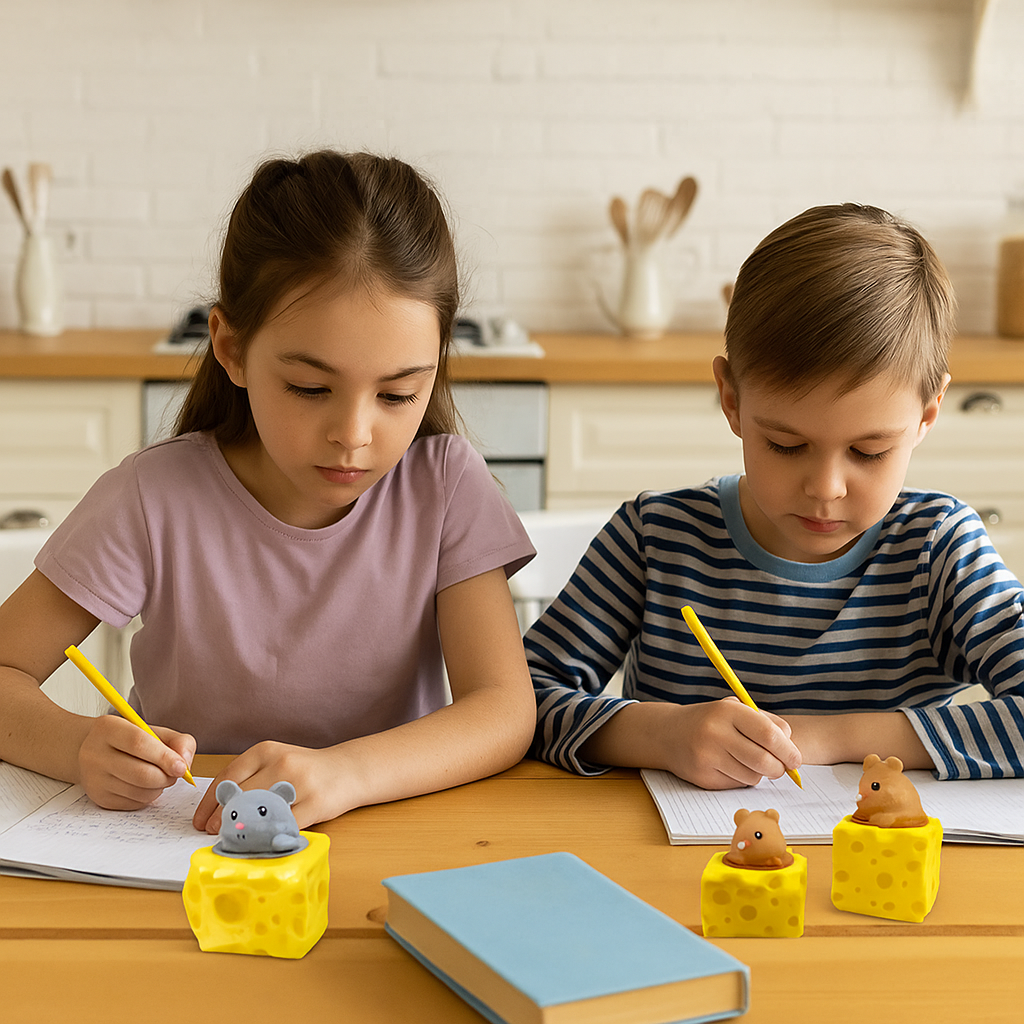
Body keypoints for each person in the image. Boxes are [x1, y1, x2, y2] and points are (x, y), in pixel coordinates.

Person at [0, 150, 537, 831]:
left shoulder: (447, 487)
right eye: (310, 388)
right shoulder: (150, 497)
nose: (353, 434)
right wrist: (77, 746)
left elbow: (504, 710)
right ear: (229, 347)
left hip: (389, 839)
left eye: (400, 392)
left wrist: (347, 774)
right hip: (187, 848)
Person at [527, 203, 1024, 788]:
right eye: (786, 445)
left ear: (927, 414)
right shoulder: (655, 538)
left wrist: (825, 738)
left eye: (868, 452)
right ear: (731, 399)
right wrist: (663, 735)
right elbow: (516, 705)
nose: (826, 489)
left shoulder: (937, 551)